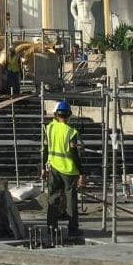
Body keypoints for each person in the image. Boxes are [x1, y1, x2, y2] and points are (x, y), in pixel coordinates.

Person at [43, 100, 86, 237]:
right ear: (69, 115)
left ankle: (51, 228)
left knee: (53, 199)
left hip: (53, 168)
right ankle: (73, 230)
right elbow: (74, 154)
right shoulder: (71, 132)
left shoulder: (49, 128)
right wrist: (81, 172)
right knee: (71, 202)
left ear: (56, 114)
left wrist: (43, 167)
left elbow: (44, 149)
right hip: (69, 171)